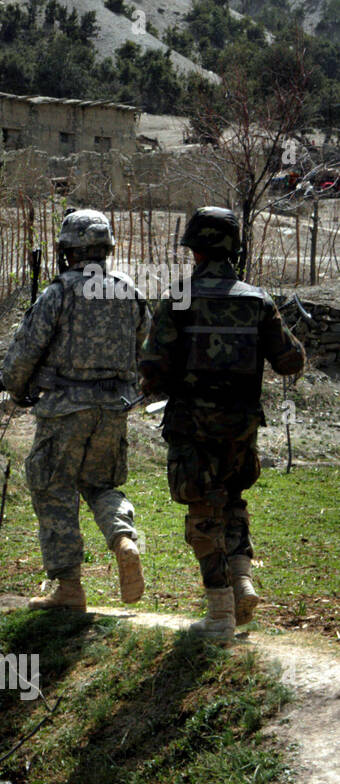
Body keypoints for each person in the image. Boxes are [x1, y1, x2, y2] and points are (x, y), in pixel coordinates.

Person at [140, 207, 305, 643]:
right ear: (235, 249)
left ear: (194, 250)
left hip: (191, 425)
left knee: (201, 509)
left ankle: (219, 614)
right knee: (232, 500)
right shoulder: (258, 300)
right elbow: (291, 362)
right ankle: (243, 581)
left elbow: (152, 366)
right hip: (241, 427)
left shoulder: (178, 297)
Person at [1, 208, 149, 611]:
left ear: (68, 251)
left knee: (54, 489)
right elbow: (145, 349)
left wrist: (14, 388)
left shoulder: (59, 292)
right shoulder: (128, 290)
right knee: (102, 485)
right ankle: (122, 539)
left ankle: (68, 587)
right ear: (105, 249)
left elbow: (26, 350)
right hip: (113, 409)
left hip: (65, 410)